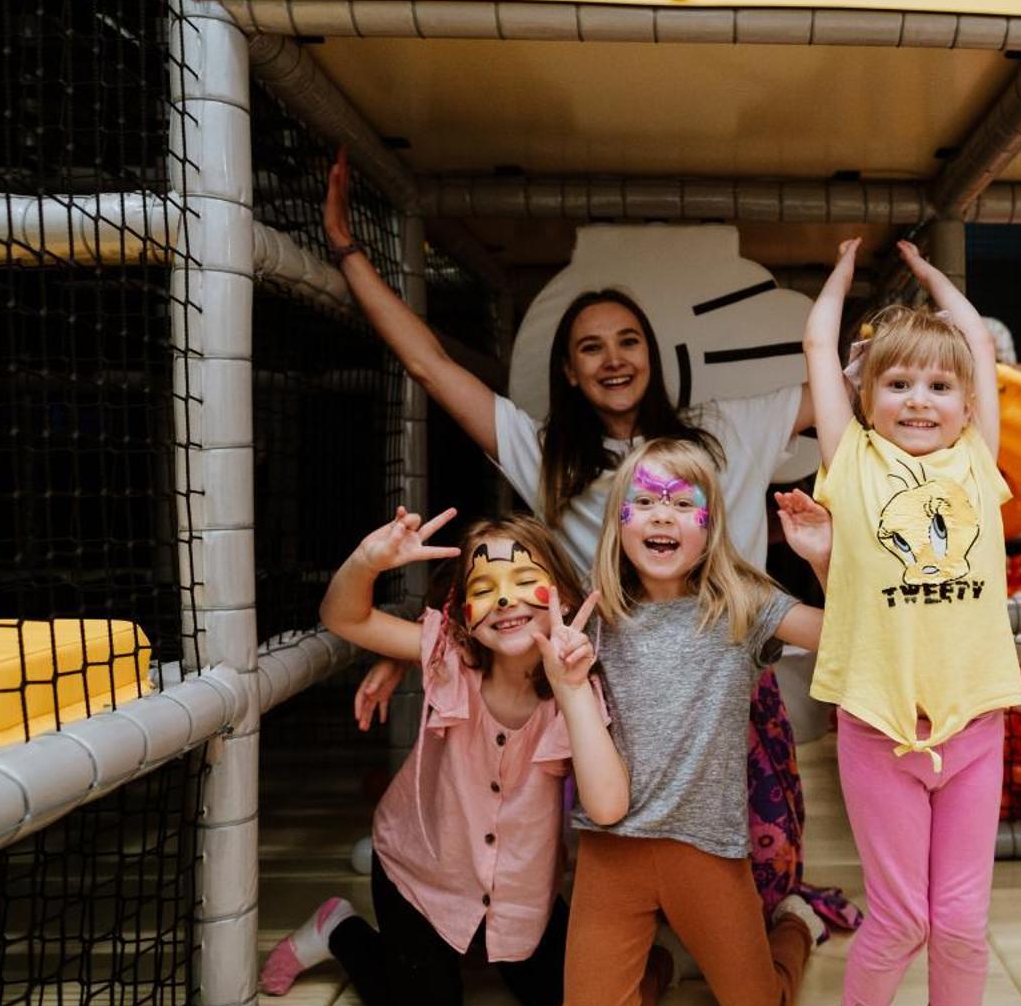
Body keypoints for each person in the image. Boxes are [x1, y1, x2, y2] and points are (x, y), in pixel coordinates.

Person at [324, 149, 854, 934]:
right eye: (591, 347)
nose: (613, 359)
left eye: (628, 340)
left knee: (756, 873)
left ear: (653, 353)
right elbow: (430, 366)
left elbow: (842, 392)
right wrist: (345, 251)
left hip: (724, 676)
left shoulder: (721, 430)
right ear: (568, 371)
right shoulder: (547, 454)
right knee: (597, 848)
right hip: (614, 686)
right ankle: (435, 868)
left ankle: (761, 931)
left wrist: (924, 356)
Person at [795, 238, 1021, 1006]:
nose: (919, 401)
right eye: (898, 386)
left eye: (938, 387)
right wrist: (842, 277)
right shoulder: (851, 465)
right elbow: (817, 351)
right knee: (903, 916)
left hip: (973, 724)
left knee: (964, 919)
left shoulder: (977, 462)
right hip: (880, 725)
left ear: (968, 402)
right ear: (866, 399)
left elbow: (974, 341)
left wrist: (936, 285)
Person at [259, 509, 626, 1006]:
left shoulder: (577, 688)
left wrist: (572, 692)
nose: (506, 601)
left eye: (526, 583)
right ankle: (339, 928)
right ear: (463, 611)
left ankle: (492, 944)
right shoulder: (447, 657)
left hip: (522, 892)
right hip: (421, 874)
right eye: (487, 589)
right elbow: (344, 617)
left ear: (563, 597)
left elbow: (607, 806)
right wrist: (367, 562)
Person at [560, 439, 826, 1006]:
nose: (661, 516)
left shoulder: (744, 607)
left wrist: (822, 560)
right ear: (619, 520)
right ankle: (656, 961)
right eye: (645, 501)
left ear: (710, 527)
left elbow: (844, 634)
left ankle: (795, 924)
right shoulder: (591, 618)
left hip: (706, 847)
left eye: (683, 504)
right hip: (610, 850)